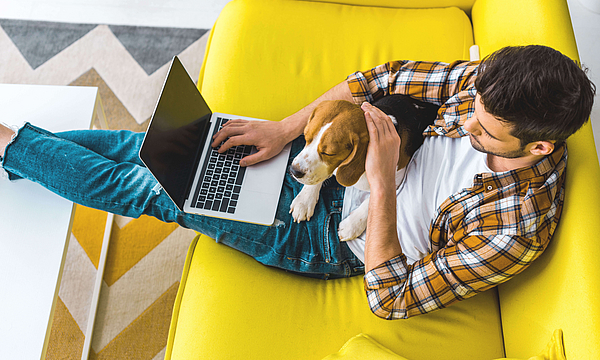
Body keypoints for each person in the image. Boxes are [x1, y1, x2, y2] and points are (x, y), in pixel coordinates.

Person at [0, 45, 595, 319]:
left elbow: (391, 298)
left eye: (485, 131)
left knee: (153, 189)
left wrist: (383, 183)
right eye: (470, 109)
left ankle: (11, 145)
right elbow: (377, 77)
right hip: (327, 168)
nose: (465, 124)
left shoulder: (517, 226)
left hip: (327, 239)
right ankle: (15, 153)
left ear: (539, 147)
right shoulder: (486, 88)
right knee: (168, 149)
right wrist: (286, 132)